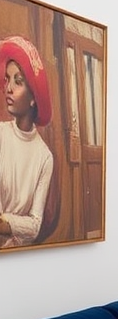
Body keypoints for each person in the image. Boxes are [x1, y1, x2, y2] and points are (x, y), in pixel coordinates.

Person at [0, 34, 55, 248]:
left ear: (34, 97)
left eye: (18, 81)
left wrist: (5, 223)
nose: (8, 88)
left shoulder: (44, 157)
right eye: (7, 79)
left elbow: (34, 226)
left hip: (20, 255)